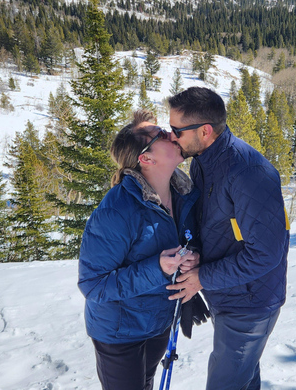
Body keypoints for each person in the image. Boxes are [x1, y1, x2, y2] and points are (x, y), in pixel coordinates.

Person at [166, 87, 290, 390]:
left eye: (176, 131)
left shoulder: (249, 172)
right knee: (243, 381)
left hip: (250, 304)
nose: (171, 137)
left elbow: (265, 253)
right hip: (229, 294)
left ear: (205, 131)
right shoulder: (202, 163)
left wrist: (202, 277)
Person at [78, 110, 200, 390]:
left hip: (158, 322)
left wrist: (193, 257)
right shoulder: (117, 211)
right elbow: (93, 285)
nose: (172, 135)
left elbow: (189, 239)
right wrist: (157, 268)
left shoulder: (184, 194)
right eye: (161, 135)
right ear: (146, 158)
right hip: (120, 334)